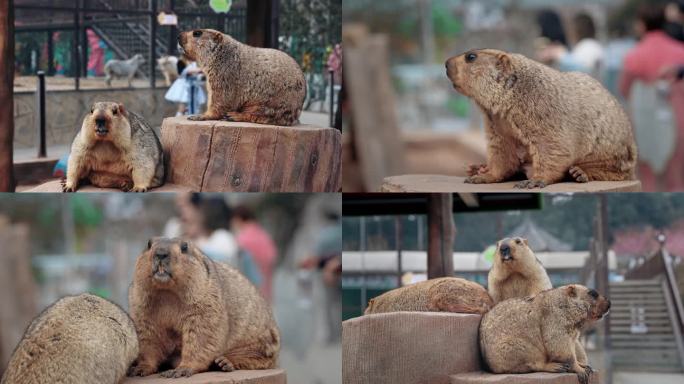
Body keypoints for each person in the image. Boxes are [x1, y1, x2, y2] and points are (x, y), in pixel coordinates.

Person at [620, 3, 684, 191]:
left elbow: (624, 89)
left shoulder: (634, 55)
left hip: (645, 122)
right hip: (678, 118)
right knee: (677, 176)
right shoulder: (680, 51)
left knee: (647, 177)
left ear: (641, 24)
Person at [298, 210, 342, 344]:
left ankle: (329, 336)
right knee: (339, 303)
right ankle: (340, 332)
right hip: (341, 270)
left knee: (327, 304)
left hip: (325, 273)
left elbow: (315, 256)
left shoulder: (323, 234)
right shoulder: (341, 231)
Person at [231, 206, 277, 302]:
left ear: (238, 219)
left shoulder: (242, 239)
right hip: (266, 292)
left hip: (249, 294)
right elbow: (273, 256)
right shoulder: (263, 234)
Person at [538, 12, 604, 76]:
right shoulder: (592, 45)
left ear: (577, 30)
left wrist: (560, 55)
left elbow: (583, 69)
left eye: (571, 29)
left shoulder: (588, 45)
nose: (569, 32)